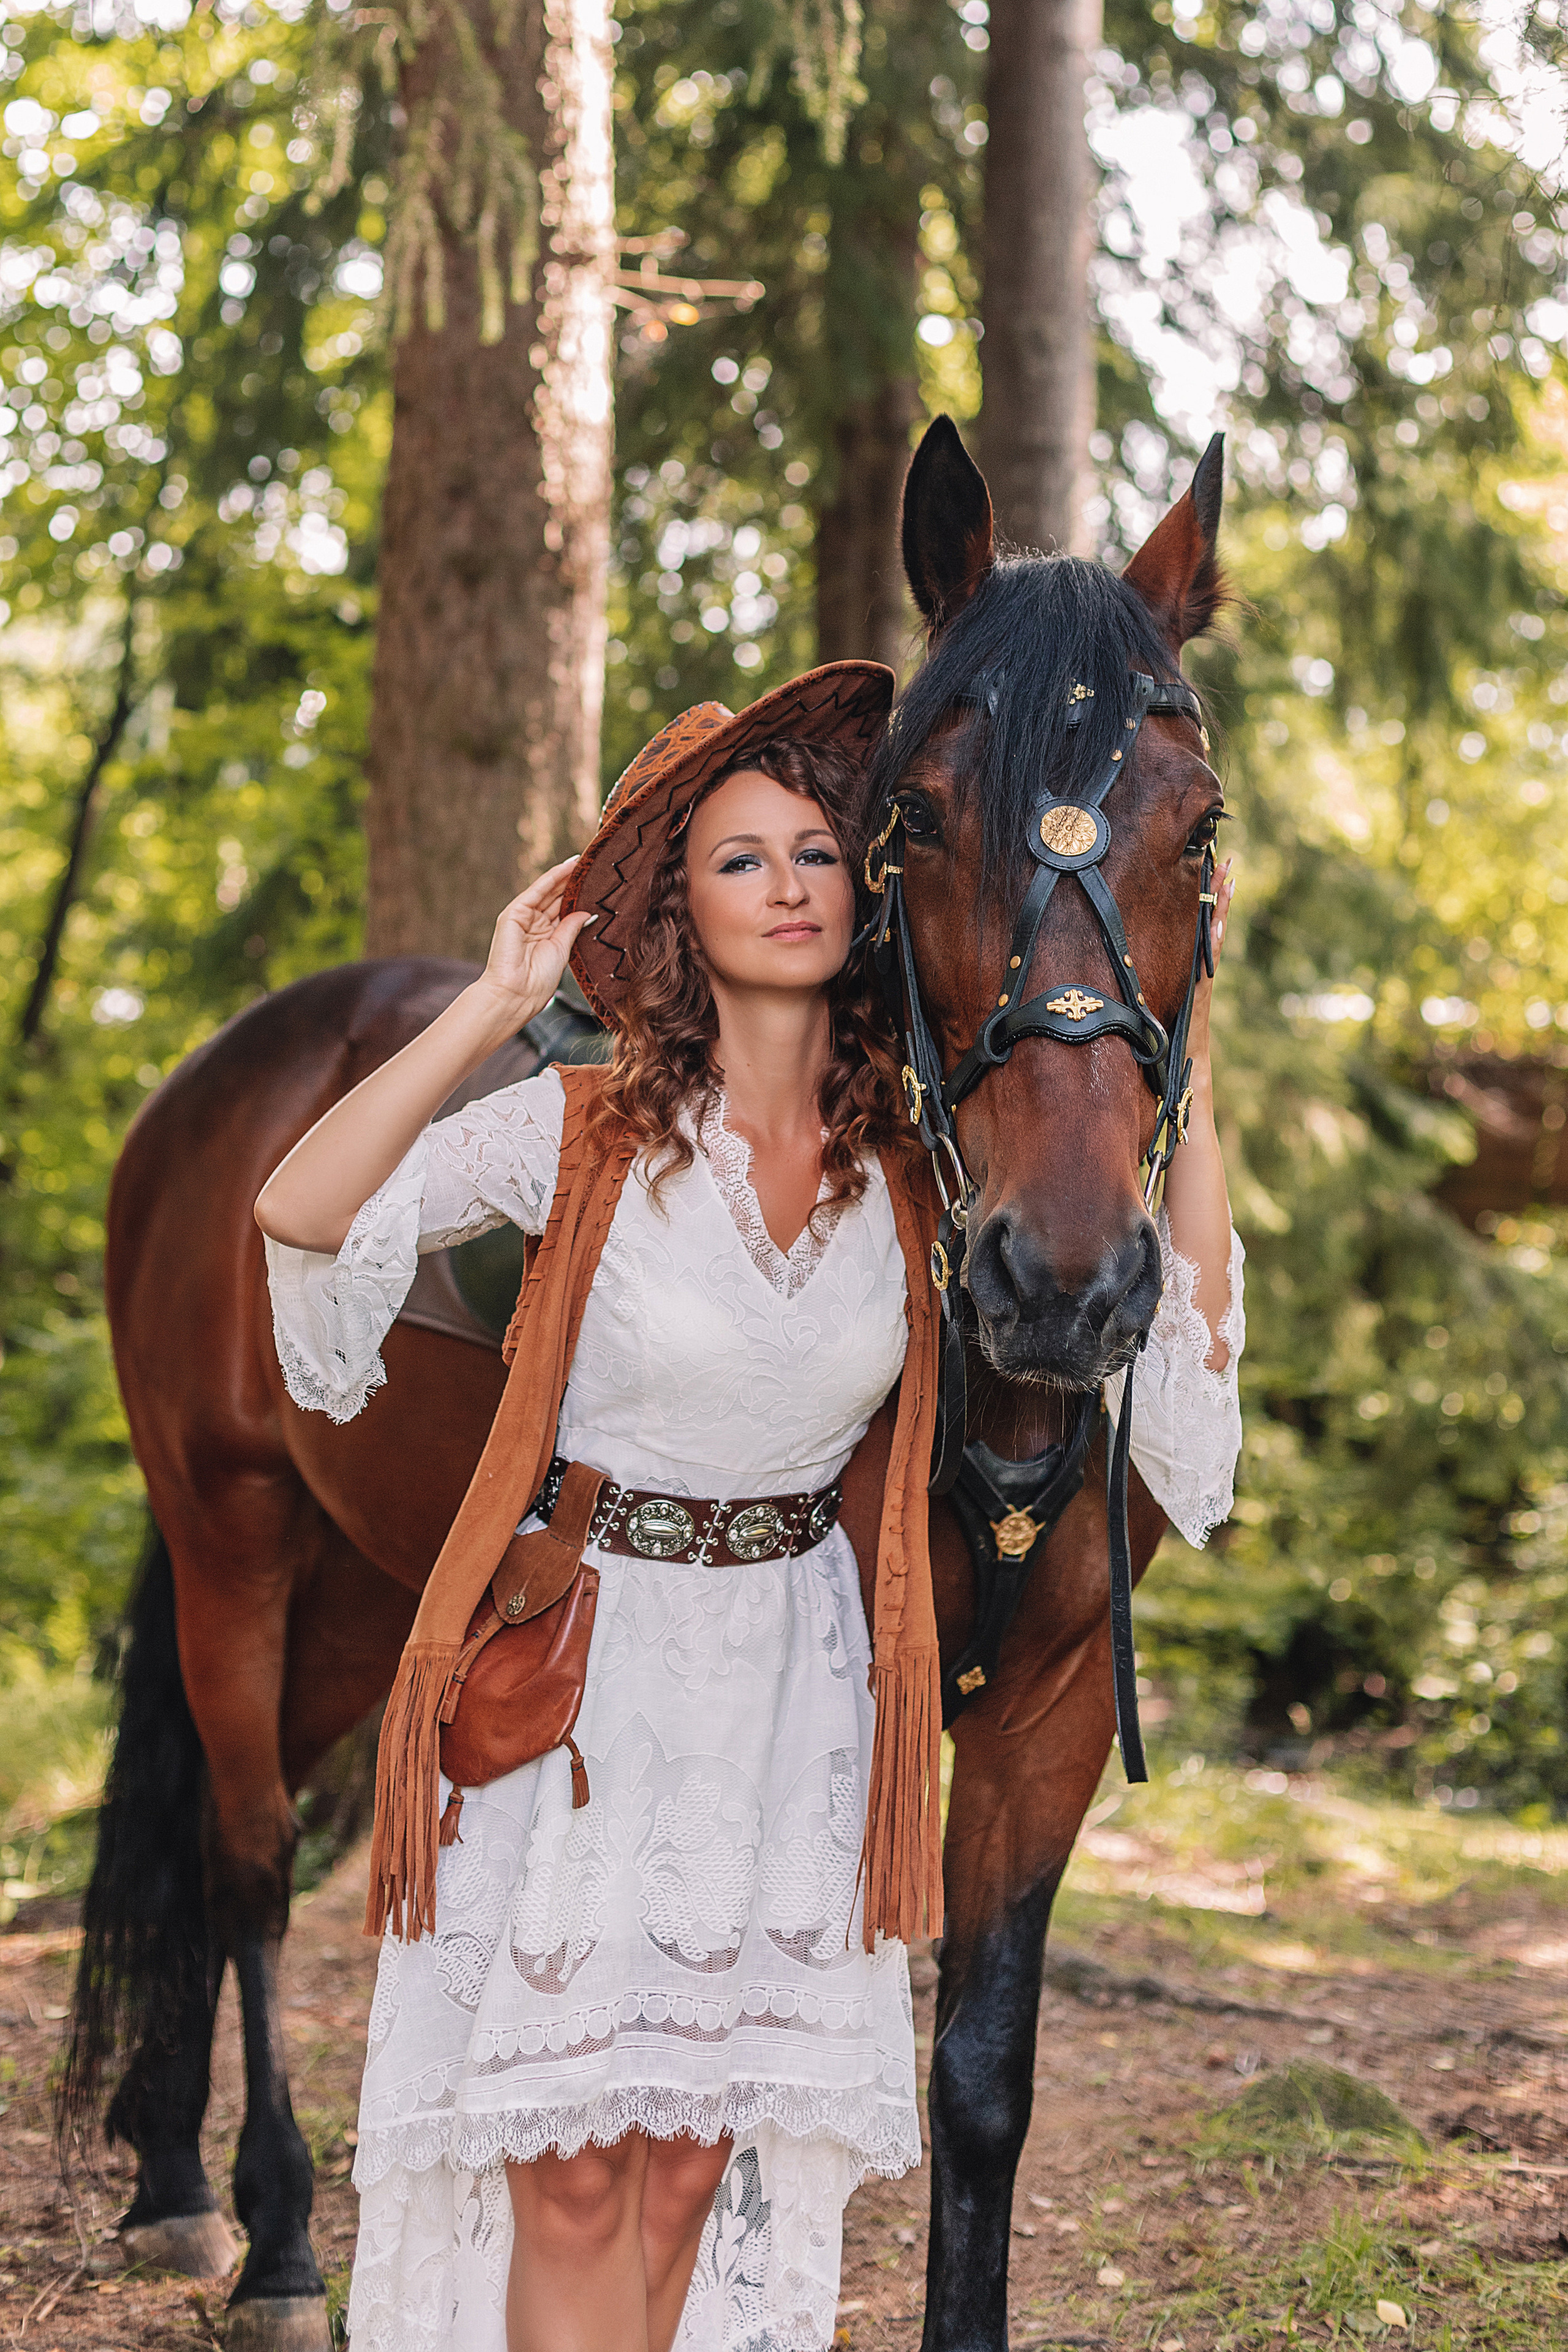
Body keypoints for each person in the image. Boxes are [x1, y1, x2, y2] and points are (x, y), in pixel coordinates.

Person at [255, 663, 1243, 2352]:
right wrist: (488, 1005)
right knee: (571, 2173)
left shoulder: (909, 1175)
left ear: (862, 893)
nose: (787, 885)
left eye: (813, 853)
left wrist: (1189, 1067)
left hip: (792, 1693)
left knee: (694, 2167)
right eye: (738, 858)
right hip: (587, 1680)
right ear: (680, 906)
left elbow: (1194, 1324)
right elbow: (301, 1205)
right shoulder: (576, 1130)